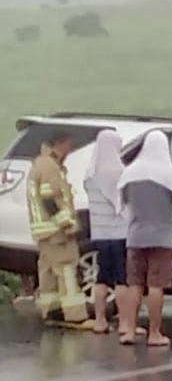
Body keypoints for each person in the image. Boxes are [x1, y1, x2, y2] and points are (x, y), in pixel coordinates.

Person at [117, 130, 172, 347]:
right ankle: (154, 333)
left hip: (135, 236)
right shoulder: (168, 174)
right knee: (156, 286)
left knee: (134, 285)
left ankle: (130, 331)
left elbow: (120, 201)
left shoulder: (130, 173)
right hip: (162, 237)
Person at [26, 130, 91, 327]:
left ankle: (52, 311)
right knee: (67, 270)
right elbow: (49, 199)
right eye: (69, 145)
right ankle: (75, 315)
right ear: (60, 144)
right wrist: (68, 224)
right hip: (57, 231)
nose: (70, 149)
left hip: (43, 231)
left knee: (48, 272)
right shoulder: (50, 167)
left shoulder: (40, 163)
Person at [83, 129, 142, 336]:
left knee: (101, 277)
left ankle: (99, 321)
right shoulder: (119, 172)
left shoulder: (89, 175)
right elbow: (125, 203)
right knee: (122, 279)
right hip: (119, 233)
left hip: (99, 233)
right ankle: (125, 324)